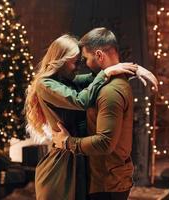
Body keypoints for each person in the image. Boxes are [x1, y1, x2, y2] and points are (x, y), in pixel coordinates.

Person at [24, 34, 139, 200]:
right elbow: (81, 100)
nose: (79, 66)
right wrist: (107, 72)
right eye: (76, 62)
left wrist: (132, 69)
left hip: (77, 156)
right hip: (63, 161)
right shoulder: (46, 84)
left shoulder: (68, 80)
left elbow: (94, 78)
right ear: (61, 60)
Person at [52, 27, 155, 200]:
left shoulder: (110, 91)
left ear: (99, 55)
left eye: (86, 58)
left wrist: (67, 142)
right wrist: (134, 69)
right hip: (107, 179)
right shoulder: (111, 81)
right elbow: (76, 82)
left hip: (107, 184)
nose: (82, 65)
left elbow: (105, 143)